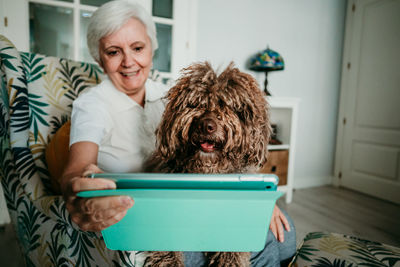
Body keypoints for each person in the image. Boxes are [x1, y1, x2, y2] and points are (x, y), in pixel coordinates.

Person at [61, 1, 296, 266]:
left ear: (152, 47)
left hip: (196, 203)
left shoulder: (171, 95)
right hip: (150, 220)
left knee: (286, 234)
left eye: (137, 48)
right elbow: (77, 169)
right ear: (98, 58)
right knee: (261, 241)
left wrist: (258, 202)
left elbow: (222, 156)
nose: (129, 62)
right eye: (114, 52)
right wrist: (77, 190)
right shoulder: (93, 104)